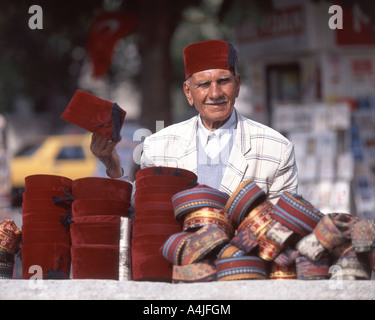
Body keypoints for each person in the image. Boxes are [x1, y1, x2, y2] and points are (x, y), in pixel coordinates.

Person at [90, 40, 298, 204]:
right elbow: (144, 212)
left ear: (238, 85)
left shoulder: (276, 149)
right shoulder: (159, 146)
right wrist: (112, 164)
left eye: (223, 81)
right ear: (188, 93)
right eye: (204, 85)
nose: (215, 93)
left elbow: (283, 227)